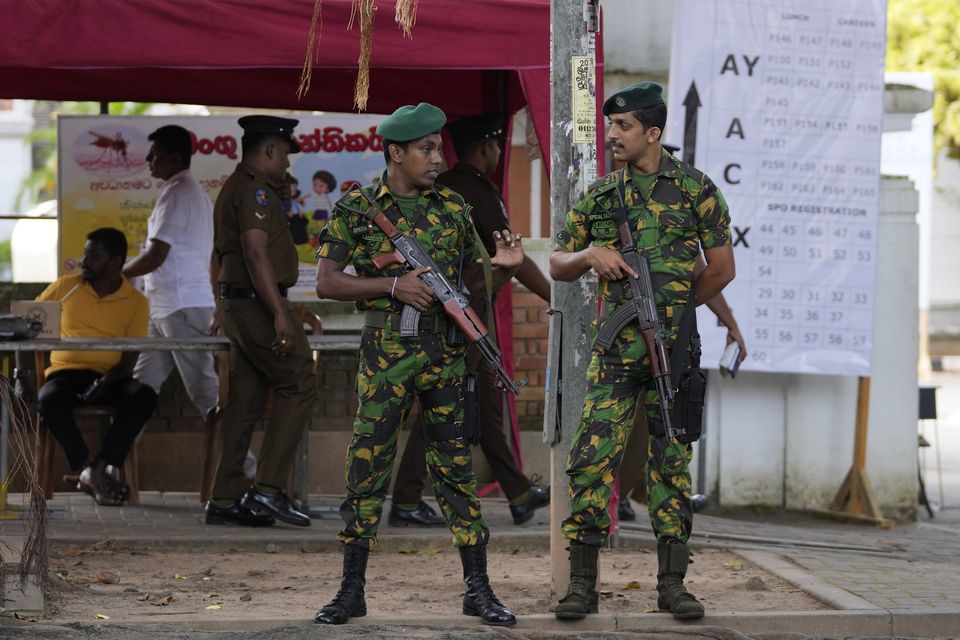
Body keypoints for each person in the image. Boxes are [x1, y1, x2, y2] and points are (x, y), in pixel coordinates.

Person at [313, 103, 521, 627]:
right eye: (426, 149)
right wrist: (390, 284)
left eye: (438, 148)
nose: (437, 158)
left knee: (456, 473)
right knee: (367, 469)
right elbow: (327, 282)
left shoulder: (452, 207)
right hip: (386, 356)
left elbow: (471, 282)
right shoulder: (357, 209)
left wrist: (504, 266)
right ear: (396, 152)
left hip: (445, 357)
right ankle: (351, 590)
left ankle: (478, 589)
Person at [549, 81, 735, 621]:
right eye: (610, 125)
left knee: (672, 466)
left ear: (652, 133)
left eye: (623, 127)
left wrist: (674, 315)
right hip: (613, 356)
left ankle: (673, 585)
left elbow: (722, 269)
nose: (613, 135)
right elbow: (558, 263)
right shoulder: (603, 196)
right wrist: (590, 254)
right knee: (590, 463)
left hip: (672, 354)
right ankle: (581, 585)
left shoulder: (697, 190)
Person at [389, 113, 551, 528]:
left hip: (464, 309)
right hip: (463, 313)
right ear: (485, 148)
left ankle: (517, 493)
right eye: (497, 145)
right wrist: (555, 296)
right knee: (444, 403)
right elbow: (511, 256)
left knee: (484, 402)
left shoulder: (450, 187)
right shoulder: (473, 191)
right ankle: (407, 499)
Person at [205, 115, 317, 528]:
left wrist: (222, 306)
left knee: (247, 400)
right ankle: (267, 491)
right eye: (285, 153)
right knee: (300, 380)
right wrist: (278, 314)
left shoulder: (236, 187)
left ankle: (225, 497)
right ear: (269, 150)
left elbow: (220, 257)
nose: (288, 163)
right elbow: (255, 254)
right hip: (256, 305)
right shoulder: (256, 192)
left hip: (239, 304)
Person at [121, 124, 231, 484]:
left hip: (182, 306)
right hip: (165, 306)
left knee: (204, 391)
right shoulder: (183, 191)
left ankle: (242, 471)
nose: (148, 160)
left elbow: (157, 254)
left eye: (154, 154)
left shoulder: (180, 191)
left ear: (174, 157)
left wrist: (117, 275)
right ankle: (111, 465)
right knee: (141, 388)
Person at [36, 227, 157, 506]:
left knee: (143, 396)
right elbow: (28, 323)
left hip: (109, 377)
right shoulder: (66, 286)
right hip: (65, 373)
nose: (85, 261)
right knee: (49, 400)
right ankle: (87, 468)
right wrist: (22, 375)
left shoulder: (136, 302)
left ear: (116, 262)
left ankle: (100, 466)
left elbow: (130, 357)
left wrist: (105, 381)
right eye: (85, 254)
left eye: (94, 256)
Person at [617, 269, 746, 520]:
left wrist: (730, 324)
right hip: (619, 339)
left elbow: (704, 271)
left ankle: (633, 495)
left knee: (659, 421)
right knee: (627, 426)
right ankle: (622, 496)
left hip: (663, 337)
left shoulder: (683, 234)